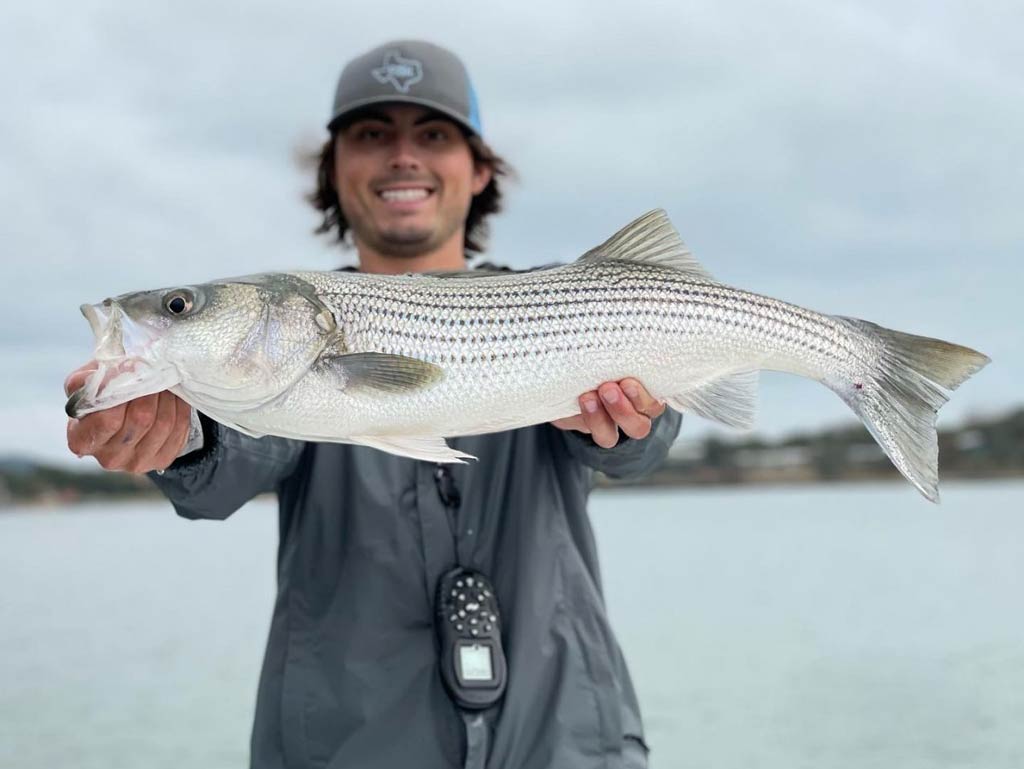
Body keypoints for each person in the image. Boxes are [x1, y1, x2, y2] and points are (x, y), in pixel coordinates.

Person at [65, 40, 682, 769]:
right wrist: (183, 438)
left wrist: (628, 425)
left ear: (479, 167)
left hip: (567, 741)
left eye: (433, 134)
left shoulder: (566, 301)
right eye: (371, 134)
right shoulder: (280, 340)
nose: (402, 156)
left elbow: (649, 438)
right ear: (332, 168)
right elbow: (235, 452)